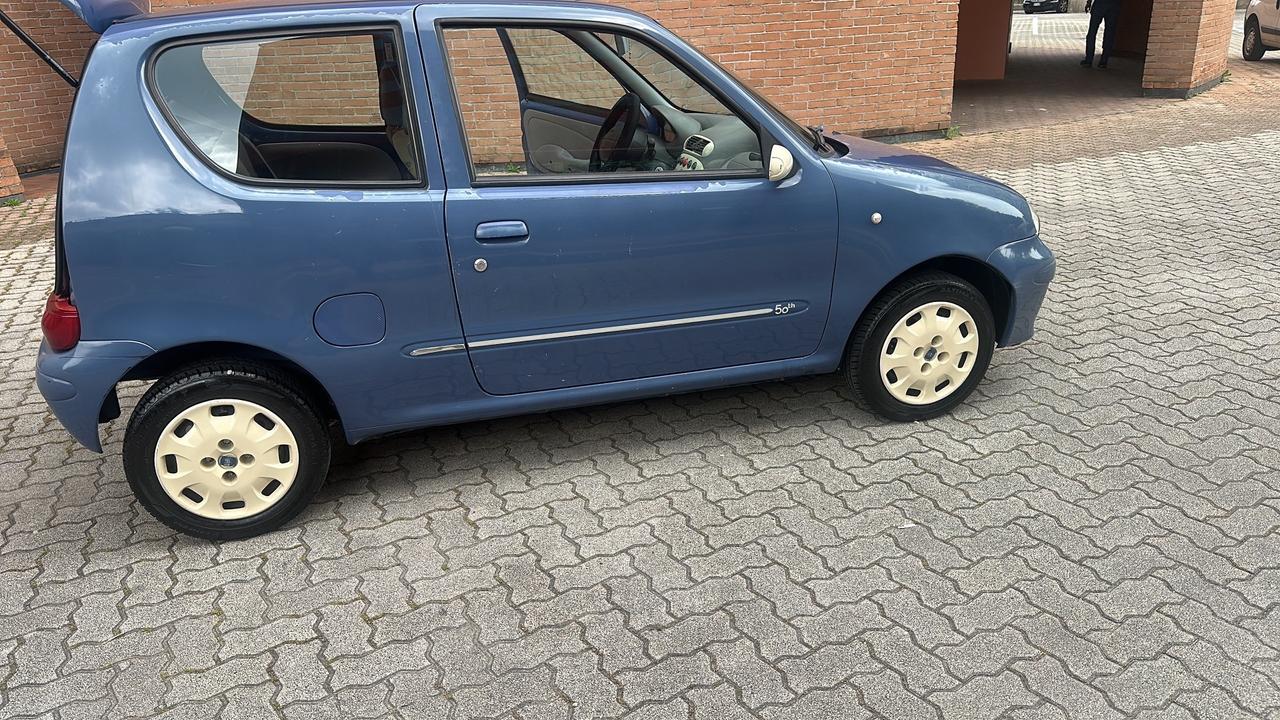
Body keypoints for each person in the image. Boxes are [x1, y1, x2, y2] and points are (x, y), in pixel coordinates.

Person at [1081, 0, 1122, 69]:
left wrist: (1089, 2)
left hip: (1099, 4)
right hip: (1114, 5)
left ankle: (1088, 60)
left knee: (1092, 32)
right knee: (1109, 33)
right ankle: (1104, 61)